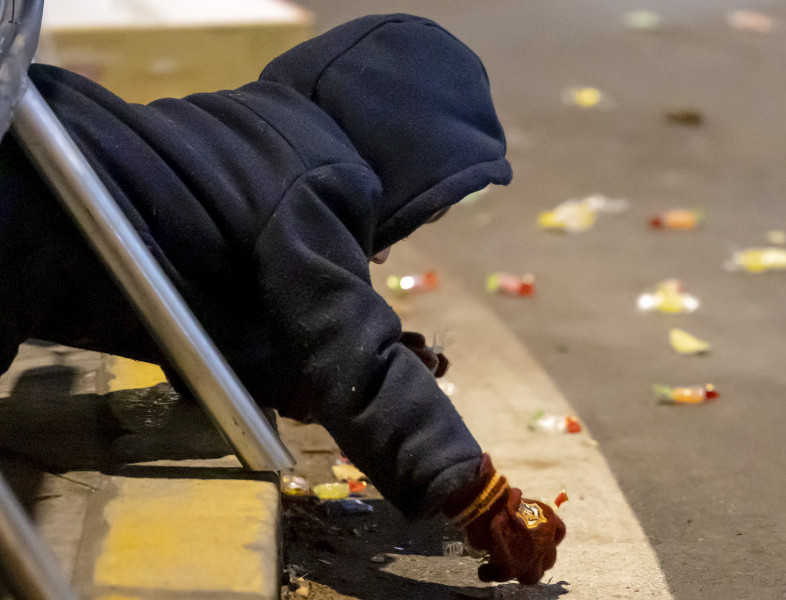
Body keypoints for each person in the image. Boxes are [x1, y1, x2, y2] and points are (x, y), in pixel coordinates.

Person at [0, 14, 565, 584]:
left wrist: (301, 380)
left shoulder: (242, 145)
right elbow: (357, 362)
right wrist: (481, 496)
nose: (388, 252)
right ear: (401, 151)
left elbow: (206, 307)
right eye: (417, 208)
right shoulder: (316, 179)